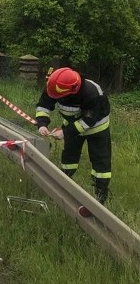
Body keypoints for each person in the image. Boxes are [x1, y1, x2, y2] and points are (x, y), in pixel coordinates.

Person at [35, 67, 112, 204]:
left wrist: (65, 132)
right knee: (68, 158)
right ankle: (63, 186)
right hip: (72, 125)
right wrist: (42, 124)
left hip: (97, 128)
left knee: (101, 162)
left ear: (72, 91)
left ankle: (101, 195)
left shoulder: (91, 93)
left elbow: (88, 121)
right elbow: (43, 106)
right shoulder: (55, 87)